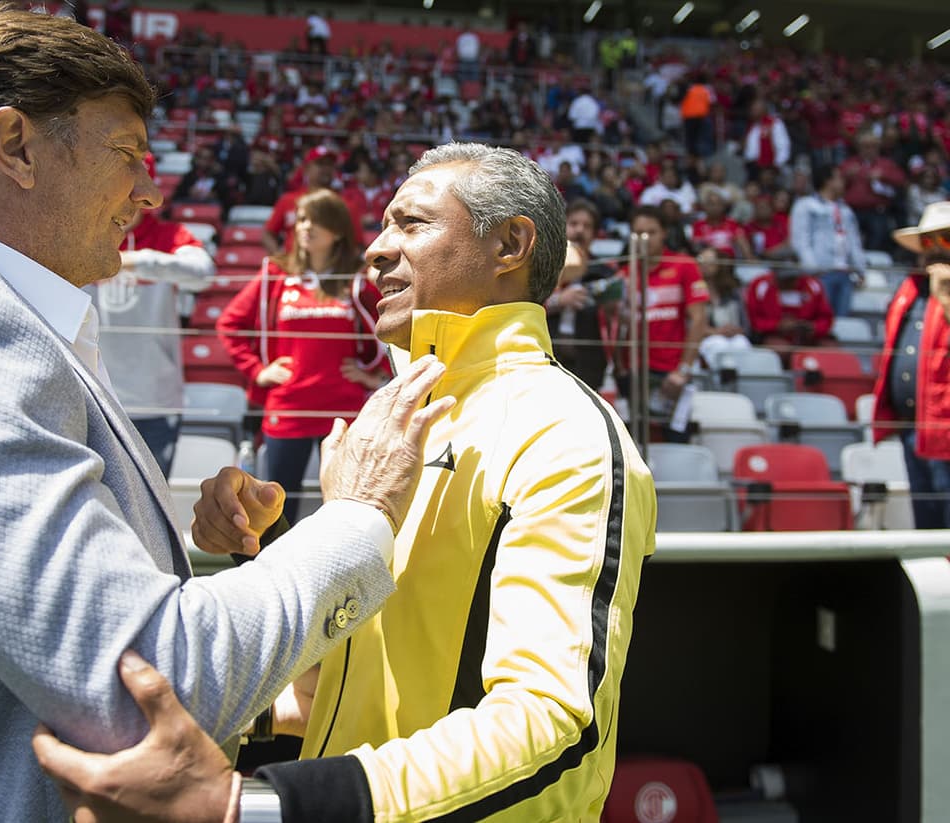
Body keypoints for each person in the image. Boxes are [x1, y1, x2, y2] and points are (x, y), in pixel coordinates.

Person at [0, 7, 453, 821]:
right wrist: (356, 515)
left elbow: (61, 669)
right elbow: (144, 677)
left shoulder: (15, 330)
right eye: (127, 154)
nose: (148, 188)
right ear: (16, 147)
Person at [33, 142, 657, 822]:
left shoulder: (563, 429)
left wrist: (261, 806)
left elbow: (551, 721)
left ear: (510, 244)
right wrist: (264, 550)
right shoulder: (391, 412)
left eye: (411, 223)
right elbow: (335, 689)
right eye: (383, 225)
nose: (376, 249)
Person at [218, 189, 387, 522]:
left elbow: (390, 326)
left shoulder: (354, 279)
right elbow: (230, 323)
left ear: (338, 230)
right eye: (303, 219)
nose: (305, 227)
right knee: (276, 506)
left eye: (317, 221)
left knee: (346, 507)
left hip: (344, 407)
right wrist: (258, 371)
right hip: (289, 405)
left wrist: (375, 374)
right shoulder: (276, 274)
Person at [83, 165, 216, 476]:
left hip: (156, 399)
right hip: (96, 395)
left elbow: (203, 273)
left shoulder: (168, 235)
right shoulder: (85, 235)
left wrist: (133, 261)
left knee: (152, 508)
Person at [872, 200, 950, 529]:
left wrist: (946, 298)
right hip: (913, 427)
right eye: (927, 242)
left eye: (944, 240)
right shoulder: (910, 289)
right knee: (926, 522)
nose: (934, 250)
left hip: (946, 430)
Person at [616, 205, 709, 441]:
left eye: (652, 232)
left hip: (671, 372)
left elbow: (698, 319)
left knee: (676, 443)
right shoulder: (625, 273)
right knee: (632, 446)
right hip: (634, 373)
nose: (644, 239)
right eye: (638, 233)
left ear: (665, 232)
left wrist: (684, 370)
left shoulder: (684, 265)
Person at [545, 198, 616, 389]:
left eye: (587, 226)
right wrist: (559, 300)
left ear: (594, 234)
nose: (579, 230)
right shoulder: (545, 267)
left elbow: (616, 316)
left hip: (589, 359)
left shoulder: (605, 272)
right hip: (547, 355)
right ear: (563, 227)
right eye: (574, 224)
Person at [790, 165, 867, 318]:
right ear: (828, 181)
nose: (843, 182)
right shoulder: (806, 205)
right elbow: (800, 239)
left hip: (844, 273)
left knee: (841, 322)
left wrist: (860, 268)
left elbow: (854, 241)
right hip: (821, 272)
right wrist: (813, 268)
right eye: (839, 178)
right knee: (819, 318)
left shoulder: (846, 210)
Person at [744, 264, 834, 360]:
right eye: (785, 278)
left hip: (808, 335)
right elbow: (754, 320)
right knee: (783, 349)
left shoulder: (813, 285)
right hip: (773, 334)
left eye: (793, 277)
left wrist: (813, 327)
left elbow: (826, 318)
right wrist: (777, 325)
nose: (790, 282)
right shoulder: (760, 285)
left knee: (831, 350)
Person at [695, 247, 752, 365]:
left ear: (719, 264)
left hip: (733, 337)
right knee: (718, 344)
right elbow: (691, 326)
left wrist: (735, 330)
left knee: (741, 343)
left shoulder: (733, 293)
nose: (705, 264)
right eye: (701, 260)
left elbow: (745, 325)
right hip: (707, 339)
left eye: (710, 260)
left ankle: (742, 381)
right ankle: (719, 382)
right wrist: (717, 332)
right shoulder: (694, 291)